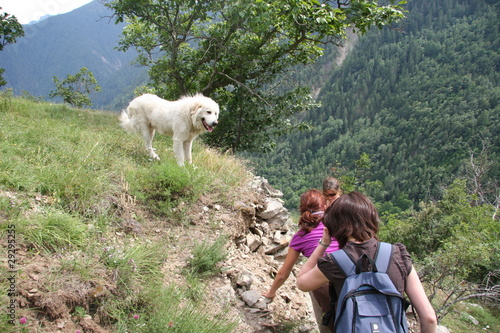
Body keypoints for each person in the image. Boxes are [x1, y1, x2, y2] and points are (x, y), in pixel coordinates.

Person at [296, 192, 437, 333]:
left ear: (334, 227)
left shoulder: (336, 262)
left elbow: (302, 282)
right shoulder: (398, 254)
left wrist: (324, 243)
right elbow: (429, 318)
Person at [263, 189, 339, 333]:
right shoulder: (336, 227)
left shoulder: (299, 237)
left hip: (319, 281)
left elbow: (284, 272)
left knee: (327, 320)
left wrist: (271, 292)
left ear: (301, 210)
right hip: (345, 274)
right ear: (324, 207)